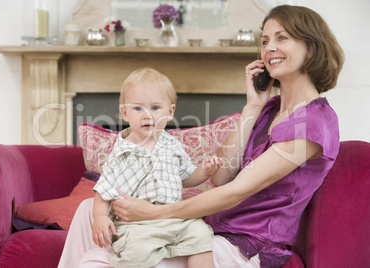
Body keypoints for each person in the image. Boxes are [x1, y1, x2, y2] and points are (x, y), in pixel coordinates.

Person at [59, 5, 344, 268]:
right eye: (265, 40)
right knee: (90, 211)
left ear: (311, 47)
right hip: (212, 227)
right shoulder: (268, 110)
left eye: (282, 38)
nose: (269, 48)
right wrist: (252, 108)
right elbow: (220, 177)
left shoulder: (314, 121)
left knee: (97, 260)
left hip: (247, 243)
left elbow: (237, 190)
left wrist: (154, 213)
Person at [70, 67, 223, 268]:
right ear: (124, 113)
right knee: (135, 255)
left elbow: (186, 177)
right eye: (138, 108)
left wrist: (204, 172)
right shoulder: (121, 152)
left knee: (201, 234)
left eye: (155, 108)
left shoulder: (172, 145)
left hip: (173, 218)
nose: (147, 115)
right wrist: (99, 217)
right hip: (136, 225)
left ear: (170, 112)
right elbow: (103, 189)